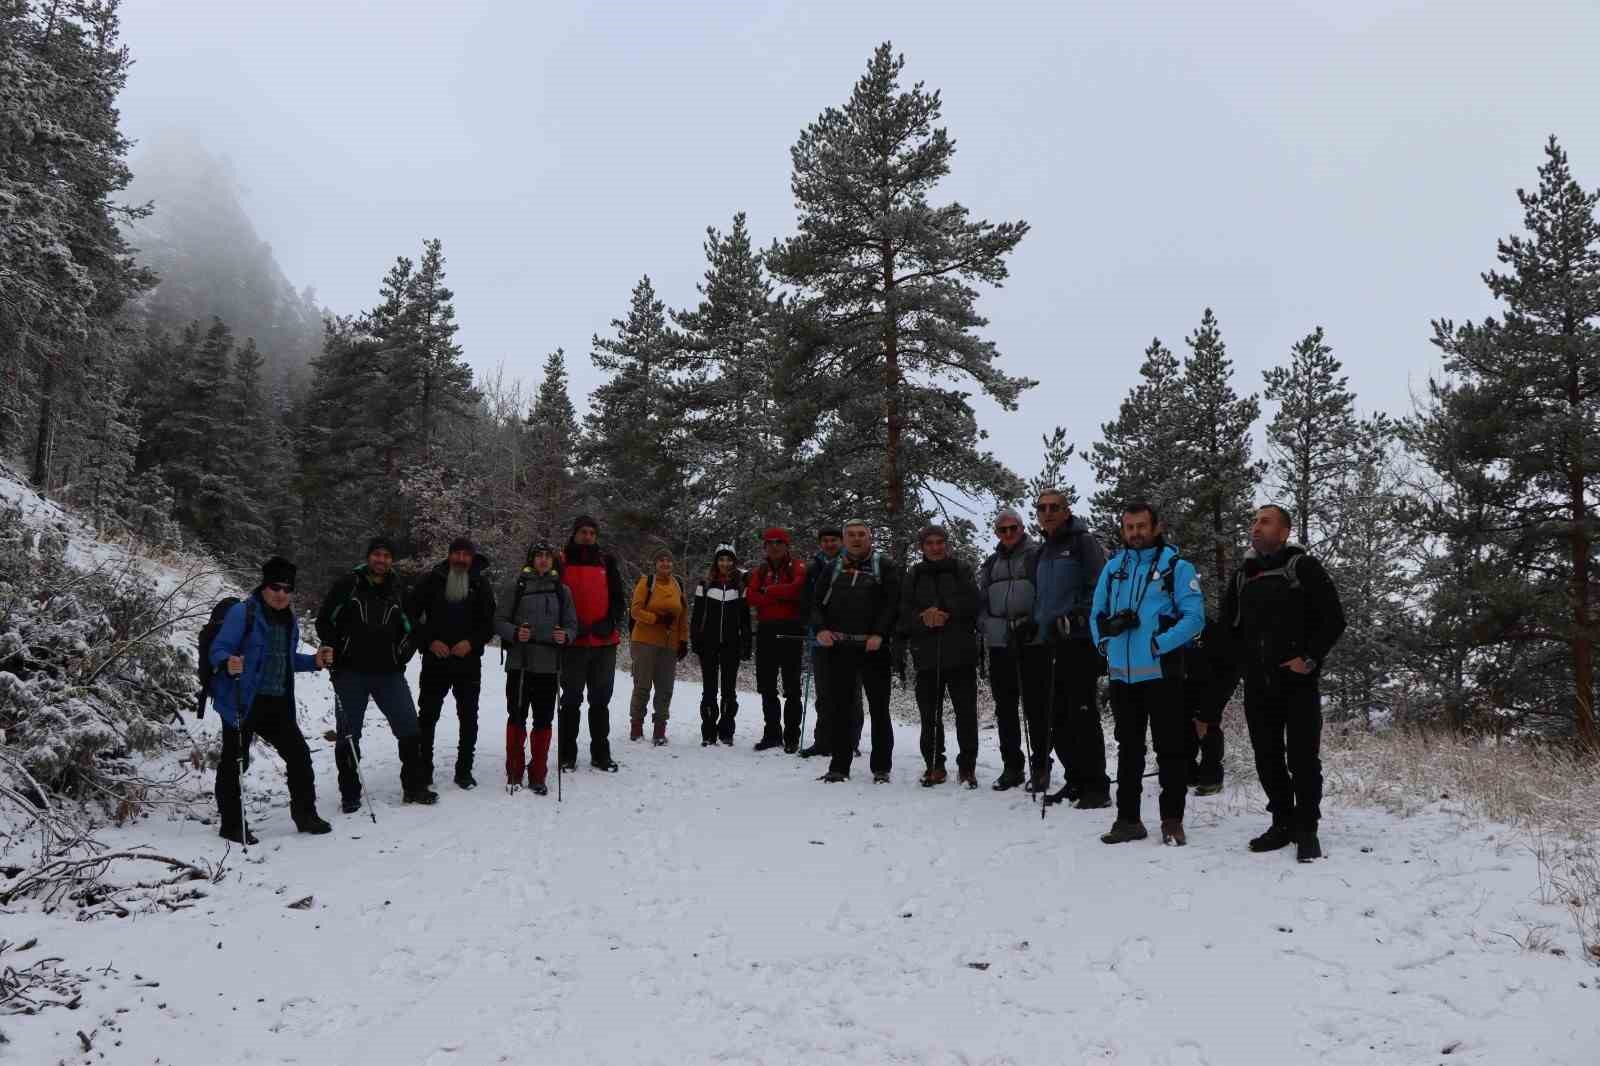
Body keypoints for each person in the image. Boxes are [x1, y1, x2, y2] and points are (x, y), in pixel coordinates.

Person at [1224, 504, 1346, 862]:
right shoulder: (1242, 576)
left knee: (1303, 758)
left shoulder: (1302, 568)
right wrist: (1238, 665)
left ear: (1284, 531)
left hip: (1297, 683)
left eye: (1265, 521)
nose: (1256, 527)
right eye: (1254, 521)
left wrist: (1308, 658)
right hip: (1258, 685)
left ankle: (1307, 827)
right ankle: (1282, 821)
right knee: (1267, 756)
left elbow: (1334, 619)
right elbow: (1228, 629)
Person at [1090, 502, 1205, 845]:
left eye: (1141, 526)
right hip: (1123, 676)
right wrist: (1105, 643)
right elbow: (1096, 613)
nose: (1135, 533)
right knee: (1129, 750)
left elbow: (1194, 617)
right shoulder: (1113, 569)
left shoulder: (1176, 568)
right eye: (1129, 527)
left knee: (1171, 749)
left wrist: (1160, 644)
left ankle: (1172, 821)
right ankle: (1128, 820)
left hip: (1162, 673)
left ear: (1156, 527)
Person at [210, 556, 334, 843]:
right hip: (243, 699)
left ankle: (306, 815)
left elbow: (285, 659)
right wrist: (227, 663)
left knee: (299, 755)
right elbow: (219, 649)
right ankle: (231, 824)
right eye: (275, 587)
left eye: (287, 589)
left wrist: (313, 661)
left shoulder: (289, 619)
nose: (281, 594)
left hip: (277, 701)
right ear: (264, 587)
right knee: (235, 761)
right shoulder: (244, 614)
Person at [316, 536, 435, 807]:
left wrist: (402, 654)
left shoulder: (398, 588)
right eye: (376, 555)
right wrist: (332, 647)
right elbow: (324, 620)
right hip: (349, 672)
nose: (381, 560)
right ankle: (350, 793)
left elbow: (412, 627)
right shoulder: (348, 585)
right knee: (348, 734)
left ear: (392, 560)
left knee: (409, 727)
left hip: (388, 673)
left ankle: (414, 787)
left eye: (386, 556)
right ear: (368, 557)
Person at [1032, 488, 1112, 807]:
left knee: (1082, 714)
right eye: (1042, 508)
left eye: (1054, 507)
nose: (1048, 512)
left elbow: (1098, 589)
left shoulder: (1083, 542)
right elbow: (1042, 597)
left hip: (1078, 642)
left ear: (1067, 511)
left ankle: (1097, 786)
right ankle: (1075, 780)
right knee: (1058, 716)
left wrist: (1074, 617)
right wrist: (1033, 622)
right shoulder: (1042, 551)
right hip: (1048, 643)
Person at [812, 520, 901, 783]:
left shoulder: (884, 567)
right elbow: (815, 602)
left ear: (870, 538)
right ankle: (839, 766)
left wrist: (880, 634)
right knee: (840, 707)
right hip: (839, 648)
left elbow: (892, 603)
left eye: (861, 534)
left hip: (874, 648)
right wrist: (820, 629)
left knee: (879, 708)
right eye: (850, 535)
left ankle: (881, 767)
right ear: (843, 539)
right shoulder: (832, 568)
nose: (856, 539)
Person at [407, 537, 497, 790]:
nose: (460, 559)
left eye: (465, 555)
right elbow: (410, 615)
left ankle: (464, 770)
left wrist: (472, 643)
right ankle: (424, 770)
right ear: (449, 556)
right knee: (427, 717)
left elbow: (488, 623)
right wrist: (429, 641)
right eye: (456, 554)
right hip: (435, 660)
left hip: (468, 663)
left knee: (468, 718)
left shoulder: (480, 584)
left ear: (471, 558)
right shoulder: (432, 580)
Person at [900, 525, 981, 787]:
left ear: (946, 544)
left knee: (966, 714)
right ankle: (934, 764)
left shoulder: (961, 569)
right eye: (930, 543)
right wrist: (923, 617)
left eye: (940, 542)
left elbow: (973, 602)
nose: (935, 547)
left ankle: (967, 768)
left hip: (960, 653)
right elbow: (904, 610)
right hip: (926, 653)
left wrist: (945, 613)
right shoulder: (914, 573)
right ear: (922, 547)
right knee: (929, 716)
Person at [497, 542, 575, 794]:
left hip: (549, 664)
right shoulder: (516, 586)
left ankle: (538, 773)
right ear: (531, 559)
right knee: (517, 716)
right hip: (520, 662)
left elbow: (572, 625)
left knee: (543, 719)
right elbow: (498, 621)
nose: (543, 560)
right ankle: (514, 770)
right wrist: (514, 632)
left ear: (553, 561)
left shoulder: (562, 591)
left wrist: (566, 636)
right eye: (538, 556)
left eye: (547, 556)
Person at [977, 507, 1043, 791]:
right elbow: (980, 603)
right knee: (1005, 708)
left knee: (1036, 708)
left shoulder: (1037, 555)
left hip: (1032, 642)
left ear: (1021, 527)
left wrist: (1034, 623)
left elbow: (1047, 594)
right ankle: (1011, 766)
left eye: (1012, 528)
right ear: (996, 533)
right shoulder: (990, 563)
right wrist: (990, 628)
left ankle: (1041, 765)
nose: (1008, 534)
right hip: (1000, 644)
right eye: (1002, 530)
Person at [558, 515, 627, 772]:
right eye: (583, 532)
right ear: (575, 533)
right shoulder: (561, 562)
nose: (588, 536)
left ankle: (600, 753)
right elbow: (554, 599)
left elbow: (619, 599)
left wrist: (610, 623)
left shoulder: (606, 562)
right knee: (571, 700)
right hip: (573, 644)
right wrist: (566, 628)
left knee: (600, 700)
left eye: (592, 533)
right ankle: (567, 754)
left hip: (603, 643)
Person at [801, 526, 862, 759]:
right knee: (825, 694)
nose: (829, 544)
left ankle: (850, 741)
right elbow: (806, 602)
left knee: (851, 693)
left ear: (842, 542)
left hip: (849, 639)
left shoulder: (853, 563)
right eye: (825, 540)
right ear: (820, 544)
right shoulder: (813, 567)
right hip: (820, 638)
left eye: (833, 540)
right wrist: (814, 627)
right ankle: (823, 740)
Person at [746, 528, 808, 752]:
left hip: (791, 629)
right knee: (766, 685)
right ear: (764, 547)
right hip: (766, 630)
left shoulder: (797, 566)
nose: (774, 546)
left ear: (786, 545)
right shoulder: (760, 570)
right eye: (770, 543)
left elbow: (797, 589)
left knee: (792, 686)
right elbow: (751, 596)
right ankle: (772, 733)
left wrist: (769, 591)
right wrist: (781, 595)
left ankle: (792, 736)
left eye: (779, 542)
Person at [691, 544, 751, 746]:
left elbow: (745, 619)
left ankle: (726, 730)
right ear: (716, 561)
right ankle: (708, 731)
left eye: (729, 559)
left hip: (731, 643)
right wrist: (695, 639)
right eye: (721, 559)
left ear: (734, 562)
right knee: (709, 689)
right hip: (708, 642)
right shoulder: (705, 584)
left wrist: (746, 642)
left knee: (728, 689)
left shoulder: (740, 586)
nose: (725, 563)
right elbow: (697, 615)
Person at [628, 550, 690, 745]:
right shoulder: (647, 582)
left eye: (669, 561)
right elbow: (635, 611)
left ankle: (660, 729)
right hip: (645, 641)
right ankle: (636, 726)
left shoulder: (678, 585)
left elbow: (683, 616)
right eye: (661, 560)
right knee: (642, 685)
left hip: (669, 644)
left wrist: (683, 640)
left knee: (665, 688)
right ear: (655, 564)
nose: (665, 564)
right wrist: (656, 619)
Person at [1184, 618, 1238, 796]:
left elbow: (1229, 671)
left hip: (1214, 681)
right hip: (1185, 681)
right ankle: (1188, 773)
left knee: (1208, 725)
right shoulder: (1172, 625)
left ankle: (1211, 778)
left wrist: (1208, 713)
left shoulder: (1214, 628)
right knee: (1184, 725)